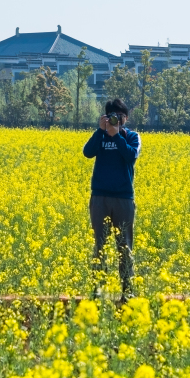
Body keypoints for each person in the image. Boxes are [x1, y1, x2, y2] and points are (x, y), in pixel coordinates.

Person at [82, 98, 141, 301]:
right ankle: (97, 292)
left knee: (124, 247)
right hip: (100, 197)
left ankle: (127, 292)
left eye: (120, 116)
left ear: (126, 118)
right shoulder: (101, 135)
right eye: (112, 116)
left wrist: (116, 136)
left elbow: (131, 156)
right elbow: (87, 152)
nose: (116, 120)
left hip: (123, 198)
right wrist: (101, 131)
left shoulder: (132, 136)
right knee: (100, 246)